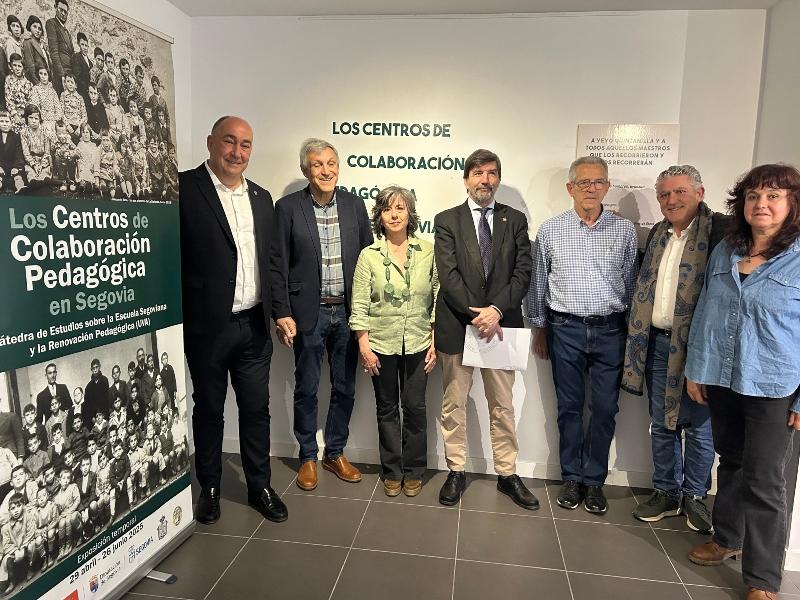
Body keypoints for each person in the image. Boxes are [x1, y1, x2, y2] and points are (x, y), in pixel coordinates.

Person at [684, 164, 800, 600]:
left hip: (774, 384)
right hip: (723, 376)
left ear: (792, 204)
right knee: (730, 461)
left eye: (773, 196)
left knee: (766, 481)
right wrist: (697, 368)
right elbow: (706, 310)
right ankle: (727, 538)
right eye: (753, 196)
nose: (761, 204)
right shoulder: (727, 250)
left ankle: (763, 580)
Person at [180, 115, 292, 524]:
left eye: (245, 145)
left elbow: (272, 261)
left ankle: (260, 485)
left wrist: (281, 311)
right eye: (229, 141)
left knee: (256, 409)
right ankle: (209, 487)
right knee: (209, 408)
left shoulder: (261, 197)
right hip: (207, 327)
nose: (237, 152)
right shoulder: (183, 189)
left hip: (254, 327)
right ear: (211, 142)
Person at [528, 155, 637, 514]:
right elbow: (538, 284)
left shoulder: (624, 231)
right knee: (569, 408)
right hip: (565, 330)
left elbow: (632, 284)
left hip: (611, 330)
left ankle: (594, 481)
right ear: (570, 187)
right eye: (584, 182)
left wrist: (632, 334)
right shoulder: (550, 230)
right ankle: (572, 477)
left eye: (598, 182)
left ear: (607, 186)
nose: (591, 188)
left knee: (605, 408)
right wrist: (539, 328)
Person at [622, 165, 728, 532]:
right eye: (665, 194)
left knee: (699, 425)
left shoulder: (721, 234)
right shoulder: (658, 234)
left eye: (680, 192)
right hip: (656, 343)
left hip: (700, 347)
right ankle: (666, 492)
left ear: (700, 193)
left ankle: (695, 495)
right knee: (661, 423)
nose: (672, 200)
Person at [434, 149, 537, 509]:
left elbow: (523, 272)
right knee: (454, 405)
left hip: (501, 326)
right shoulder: (446, 220)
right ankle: (456, 470)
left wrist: (495, 310)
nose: (485, 180)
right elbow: (448, 276)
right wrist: (477, 313)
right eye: (478, 173)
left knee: (502, 406)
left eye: (492, 173)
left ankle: (507, 474)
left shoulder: (515, 220)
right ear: (466, 179)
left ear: (498, 178)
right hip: (457, 325)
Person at [274, 138, 373, 491]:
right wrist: (282, 311)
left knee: (345, 387)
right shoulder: (287, 208)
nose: (326, 170)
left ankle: (335, 452)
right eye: (317, 164)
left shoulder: (354, 205)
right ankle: (306, 456)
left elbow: (368, 259)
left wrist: (368, 313)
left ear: (338, 167)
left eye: (331, 163)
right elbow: (277, 264)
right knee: (308, 387)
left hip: (348, 314)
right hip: (308, 314)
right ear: (306, 170)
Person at [349, 186, 438, 497]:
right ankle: (392, 471)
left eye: (400, 208)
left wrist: (434, 340)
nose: (395, 215)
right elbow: (359, 303)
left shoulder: (427, 251)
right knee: (386, 408)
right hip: (380, 344)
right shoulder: (369, 255)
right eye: (388, 209)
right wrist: (364, 346)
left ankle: (414, 470)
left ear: (410, 213)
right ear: (380, 216)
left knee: (415, 407)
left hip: (418, 341)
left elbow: (437, 298)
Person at [45, 0, 73, 96]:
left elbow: (72, 53)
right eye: (61, 10)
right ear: (55, 8)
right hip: (60, 73)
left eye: (65, 12)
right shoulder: (51, 23)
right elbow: (54, 52)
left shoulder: (66, 32)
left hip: (69, 73)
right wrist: (61, 75)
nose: (63, 14)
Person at [21, 16, 50, 85]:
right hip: (37, 81)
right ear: (30, 27)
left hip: (45, 79)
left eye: (39, 29)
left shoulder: (41, 44)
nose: (37, 30)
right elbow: (30, 66)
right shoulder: (28, 42)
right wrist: (37, 84)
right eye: (34, 27)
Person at [84, 358, 109, 425]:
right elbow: (87, 405)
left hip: (104, 415)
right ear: (91, 369)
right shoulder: (88, 386)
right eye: (93, 368)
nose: (95, 370)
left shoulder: (104, 380)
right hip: (94, 419)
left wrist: (104, 415)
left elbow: (106, 399)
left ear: (99, 367)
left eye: (96, 367)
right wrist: (92, 417)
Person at [70, 32, 92, 101]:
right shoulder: (76, 57)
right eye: (82, 45)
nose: (84, 47)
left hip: (90, 92)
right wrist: (87, 88)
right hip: (81, 91)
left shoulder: (90, 62)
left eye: (86, 45)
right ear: (79, 45)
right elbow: (77, 76)